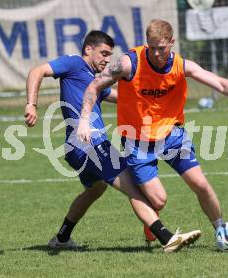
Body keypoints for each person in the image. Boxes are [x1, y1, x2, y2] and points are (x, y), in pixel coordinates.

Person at [77, 20, 228, 244]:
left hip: (172, 135)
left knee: (200, 184)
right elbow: (94, 86)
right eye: (152, 47)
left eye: (161, 48)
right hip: (137, 142)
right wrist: (84, 121)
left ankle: (221, 230)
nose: (156, 53)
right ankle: (151, 222)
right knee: (158, 201)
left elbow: (221, 84)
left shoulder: (182, 66)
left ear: (172, 42)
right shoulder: (128, 63)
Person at [24, 30, 201, 253]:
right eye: (104, 53)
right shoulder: (74, 64)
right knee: (133, 188)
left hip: (78, 147)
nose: (107, 59)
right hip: (90, 144)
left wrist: (153, 101)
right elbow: (36, 71)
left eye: (110, 55)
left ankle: (61, 238)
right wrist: (31, 104)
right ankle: (166, 238)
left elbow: (120, 97)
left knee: (95, 190)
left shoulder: (94, 79)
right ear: (88, 49)